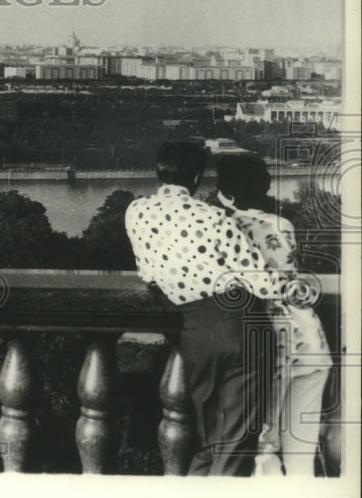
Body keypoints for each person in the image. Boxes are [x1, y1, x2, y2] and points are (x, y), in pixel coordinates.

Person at [124, 141, 301, 476]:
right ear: (196, 176)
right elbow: (262, 282)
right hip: (239, 327)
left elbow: (147, 272)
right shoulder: (215, 218)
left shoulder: (135, 212)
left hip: (193, 330)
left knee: (208, 441)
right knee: (235, 444)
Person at [215, 153, 332, 476]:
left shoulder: (227, 227)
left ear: (228, 192)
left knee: (264, 452)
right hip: (311, 339)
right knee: (301, 455)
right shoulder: (284, 225)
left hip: (271, 344)